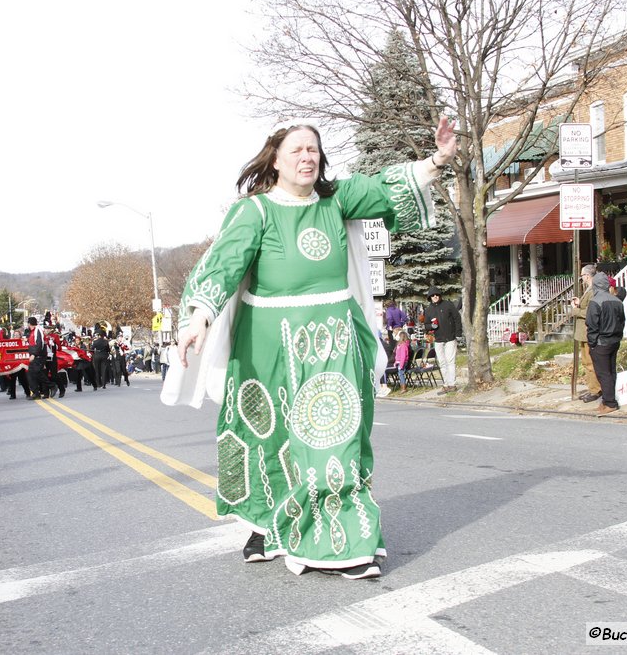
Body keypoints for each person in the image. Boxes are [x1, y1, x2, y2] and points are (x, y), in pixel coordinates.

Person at [165, 117, 455, 580]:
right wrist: (199, 314)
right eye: (297, 150)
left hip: (335, 336)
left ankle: (343, 541)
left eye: (313, 150)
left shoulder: (337, 199)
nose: (306, 157)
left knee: (333, 433)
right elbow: (222, 264)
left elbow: (385, 188)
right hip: (266, 343)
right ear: (276, 159)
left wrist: (437, 159)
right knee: (269, 437)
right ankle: (266, 525)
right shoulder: (255, 211)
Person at [584, 272, 625, 415]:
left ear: (595, 285)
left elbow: (591, 325)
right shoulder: (617, 301)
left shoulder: (595, 302)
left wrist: (592, 343)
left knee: (603, 373)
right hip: (615, 340)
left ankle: (609, 402)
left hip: (601, 342)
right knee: (611, 371)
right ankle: (609, 400)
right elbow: (622, 321)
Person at [570, 264, 602, 402]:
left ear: (587, 276)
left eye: (582, 276)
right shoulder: (589, 289)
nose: (581, 278)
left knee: (589, 363)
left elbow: (590, 312)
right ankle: (593, 388)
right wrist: (579, 303)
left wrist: (575, 310)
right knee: (586, 362)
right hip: (584, 332)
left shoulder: (593, 290)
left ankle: (595, 390)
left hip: (588, 332)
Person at [423, 285, 461, 395]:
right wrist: (431, 326)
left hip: (450, 338)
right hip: (438, 339)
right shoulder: (428, 310)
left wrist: (458, 333)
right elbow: (426, 325)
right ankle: (445, 384)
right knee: (442, 363)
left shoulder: (448, 305)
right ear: (429, 297)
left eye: (437, 295)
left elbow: (457, 318)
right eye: (432, 295)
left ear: (440, 295)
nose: (435, 296)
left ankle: (452, 384)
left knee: (450, 361)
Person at [26, 317, 51, 399]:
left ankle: (52, 385)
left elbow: (40, 343)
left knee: (37, 372)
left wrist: (34, 354)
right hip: (35, 355)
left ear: (29, 323)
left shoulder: (38, 330)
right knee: (31, 374)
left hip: (39, 355)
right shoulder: (32, 332)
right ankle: (36, 392)